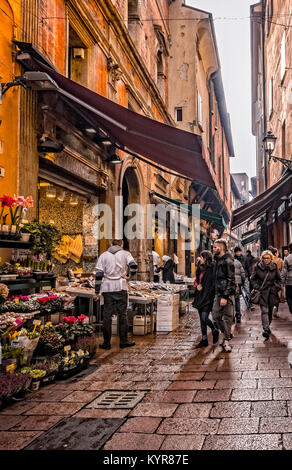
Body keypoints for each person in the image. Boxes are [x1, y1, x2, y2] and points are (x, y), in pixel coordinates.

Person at [95, 239, 138, 350]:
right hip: (121, 287)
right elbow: (134, 266)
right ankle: (123, 341)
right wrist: (129, 276)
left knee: (107, 316)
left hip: (107, 288)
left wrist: (96, 291)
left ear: (111, 245)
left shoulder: (103, 255)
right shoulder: (126, 254)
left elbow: (99, 274)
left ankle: (106, 343)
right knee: (122, 315)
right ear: (121, 245)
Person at [250, 250, 282, 340]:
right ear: (262, 258)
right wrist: (257, 287)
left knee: (270, 311)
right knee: (264, 310)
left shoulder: (274, 266)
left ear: (271, 258)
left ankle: (267, 325)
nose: (266, 260)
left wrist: (276, 287)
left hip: (272, 292)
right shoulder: (258, 266)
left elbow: (279, 279)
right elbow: (252, 278)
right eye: (264, 258)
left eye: (268, 258)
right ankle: (266, 329)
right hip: (262, 292)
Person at [212, 238, 236, 352]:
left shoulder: (228, 261)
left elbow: (231, 279)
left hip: (227, 293)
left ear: (221, 248)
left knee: (227, 317)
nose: (213, 249)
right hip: (218, 293)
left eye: (215, 247)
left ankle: (226, 340)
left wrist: (225, 296)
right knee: (216, 315)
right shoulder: (216, 260)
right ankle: (227, 333)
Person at [192, 250, 219, 348]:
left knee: (204, 318)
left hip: (208, 296)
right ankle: (204, 339)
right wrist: (197, 285)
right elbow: (197, 280)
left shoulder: (212, 268)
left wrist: (211, 293)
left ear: (206, 258)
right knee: (201, 319)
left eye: (202, 257)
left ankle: (214, 329)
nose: (200, 259)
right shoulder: (199, 268)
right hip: (200, 295)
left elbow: (213, 283)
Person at [234, 255, 246, 323]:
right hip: (237, 284)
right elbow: (243, 274)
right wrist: (242, 283)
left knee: (231, 301)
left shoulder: (225, 262)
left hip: (229, 284)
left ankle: (232, 316)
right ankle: (238, 315)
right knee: (237, 300)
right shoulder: (238, 262)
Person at [282, 243, 292, 314]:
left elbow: (284, 272)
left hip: (289, 281)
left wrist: (282, 282)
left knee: (289, 297)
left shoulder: (287, 259)